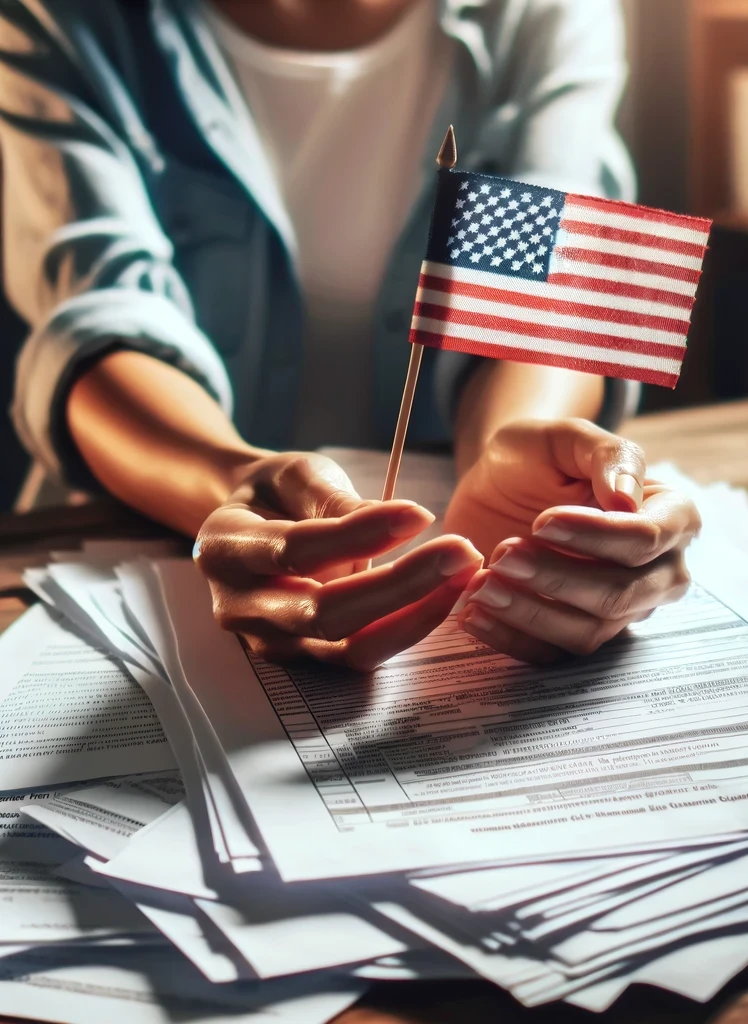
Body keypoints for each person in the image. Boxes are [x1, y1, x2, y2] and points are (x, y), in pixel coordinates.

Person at [0, 0, 699, 668]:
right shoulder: (64, 15)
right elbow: (101, 316)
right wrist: (230, 484)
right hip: (131, 556)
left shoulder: (539, 12)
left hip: (442, 552)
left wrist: (511, 456)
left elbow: (548, 286)